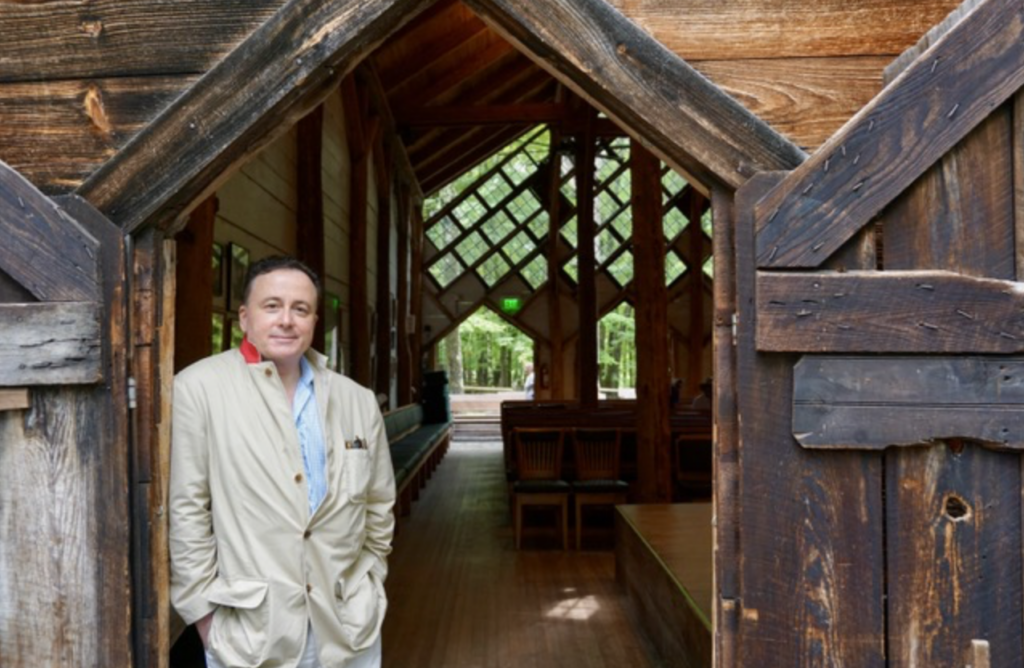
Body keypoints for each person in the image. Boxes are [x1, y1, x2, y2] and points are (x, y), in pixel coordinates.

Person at [170, 256, 396, 668]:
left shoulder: (356, 399)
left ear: (314, 321)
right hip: (251, 632)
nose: (286, 320)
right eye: (271, 306)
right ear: (245, 317)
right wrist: (205, 619)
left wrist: (371, 578)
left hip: (348, 624)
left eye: (301, 309)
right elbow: (186, 511)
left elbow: (379, 504)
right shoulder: (197, 389)